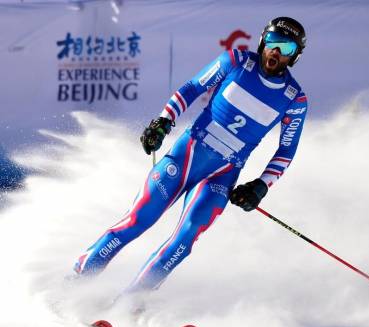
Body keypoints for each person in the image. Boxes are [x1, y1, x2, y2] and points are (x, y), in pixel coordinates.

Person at [73, 17, 308, 293]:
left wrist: (260, 185)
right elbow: (193, 88)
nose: (276, 52)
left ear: (295, 56)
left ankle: (132, 301)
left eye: (287, 48)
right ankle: (78, 279)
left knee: (184, 241)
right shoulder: (235, 61)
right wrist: (162, 121)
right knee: (139, 219)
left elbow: (286, 151)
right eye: (272, 42)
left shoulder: (294, 99)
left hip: (223, 174)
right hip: (188, 154)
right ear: (262, 41)